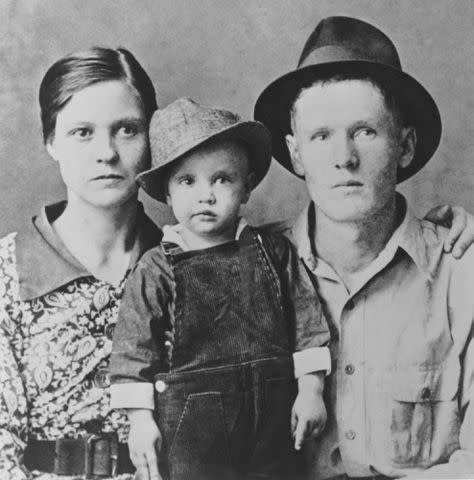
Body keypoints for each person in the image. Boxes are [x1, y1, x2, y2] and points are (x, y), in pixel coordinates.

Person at [254, 16, 474, 479]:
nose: (344, 158)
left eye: (366, 132)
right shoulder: (253, 269)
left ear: (406, 146)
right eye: (321, 136)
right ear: (296, 154)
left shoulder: (461, 274)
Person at [110, 97, 332, 480]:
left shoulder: (273, 251)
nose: (206, 195)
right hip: (195, 434)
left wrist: (311, 391)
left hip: (272, 426)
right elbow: (133, 352)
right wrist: (140, 422)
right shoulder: (156, 268)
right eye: (187, 181)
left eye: (222, 179)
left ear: (246, 188)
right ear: (167, 193)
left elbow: (309, 325)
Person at [0, 47, 162, 479]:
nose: (107, 152)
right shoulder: (7, 274)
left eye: (127, 130)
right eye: (82, 132)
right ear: (51, 141)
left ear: (151, 140)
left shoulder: (183, 268)